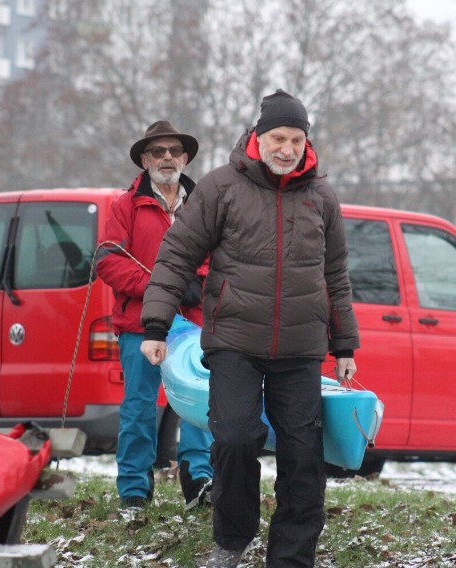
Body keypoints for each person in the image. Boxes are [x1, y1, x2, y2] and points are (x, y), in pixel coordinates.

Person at [140, 90, 359, 567]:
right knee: (236, 440)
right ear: (259, 137)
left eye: (296, 139)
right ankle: (232, 541)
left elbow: (336, 276)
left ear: (307, 141)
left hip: (300, 349)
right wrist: (156, 325)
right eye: (279, 137)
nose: (287, 148)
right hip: (234, 343)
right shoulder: (221, 189)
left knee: (303, 457)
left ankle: (292, 557)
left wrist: (345, 345)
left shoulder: (322, 197)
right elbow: (176, 255)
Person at [95, 120, 213, 511]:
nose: (166, 157)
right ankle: (133, 491)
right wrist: (161, 289)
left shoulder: (204, 205)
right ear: (144, 160)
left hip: (194, 327)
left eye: (173, 151)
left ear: (185, 158)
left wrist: (198, 283)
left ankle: (199, 481)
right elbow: (109, 262)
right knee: (139, 409)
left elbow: (222, 260)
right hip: (139, 327)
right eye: (158, 151)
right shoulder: (124, 206)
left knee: (199, 406)